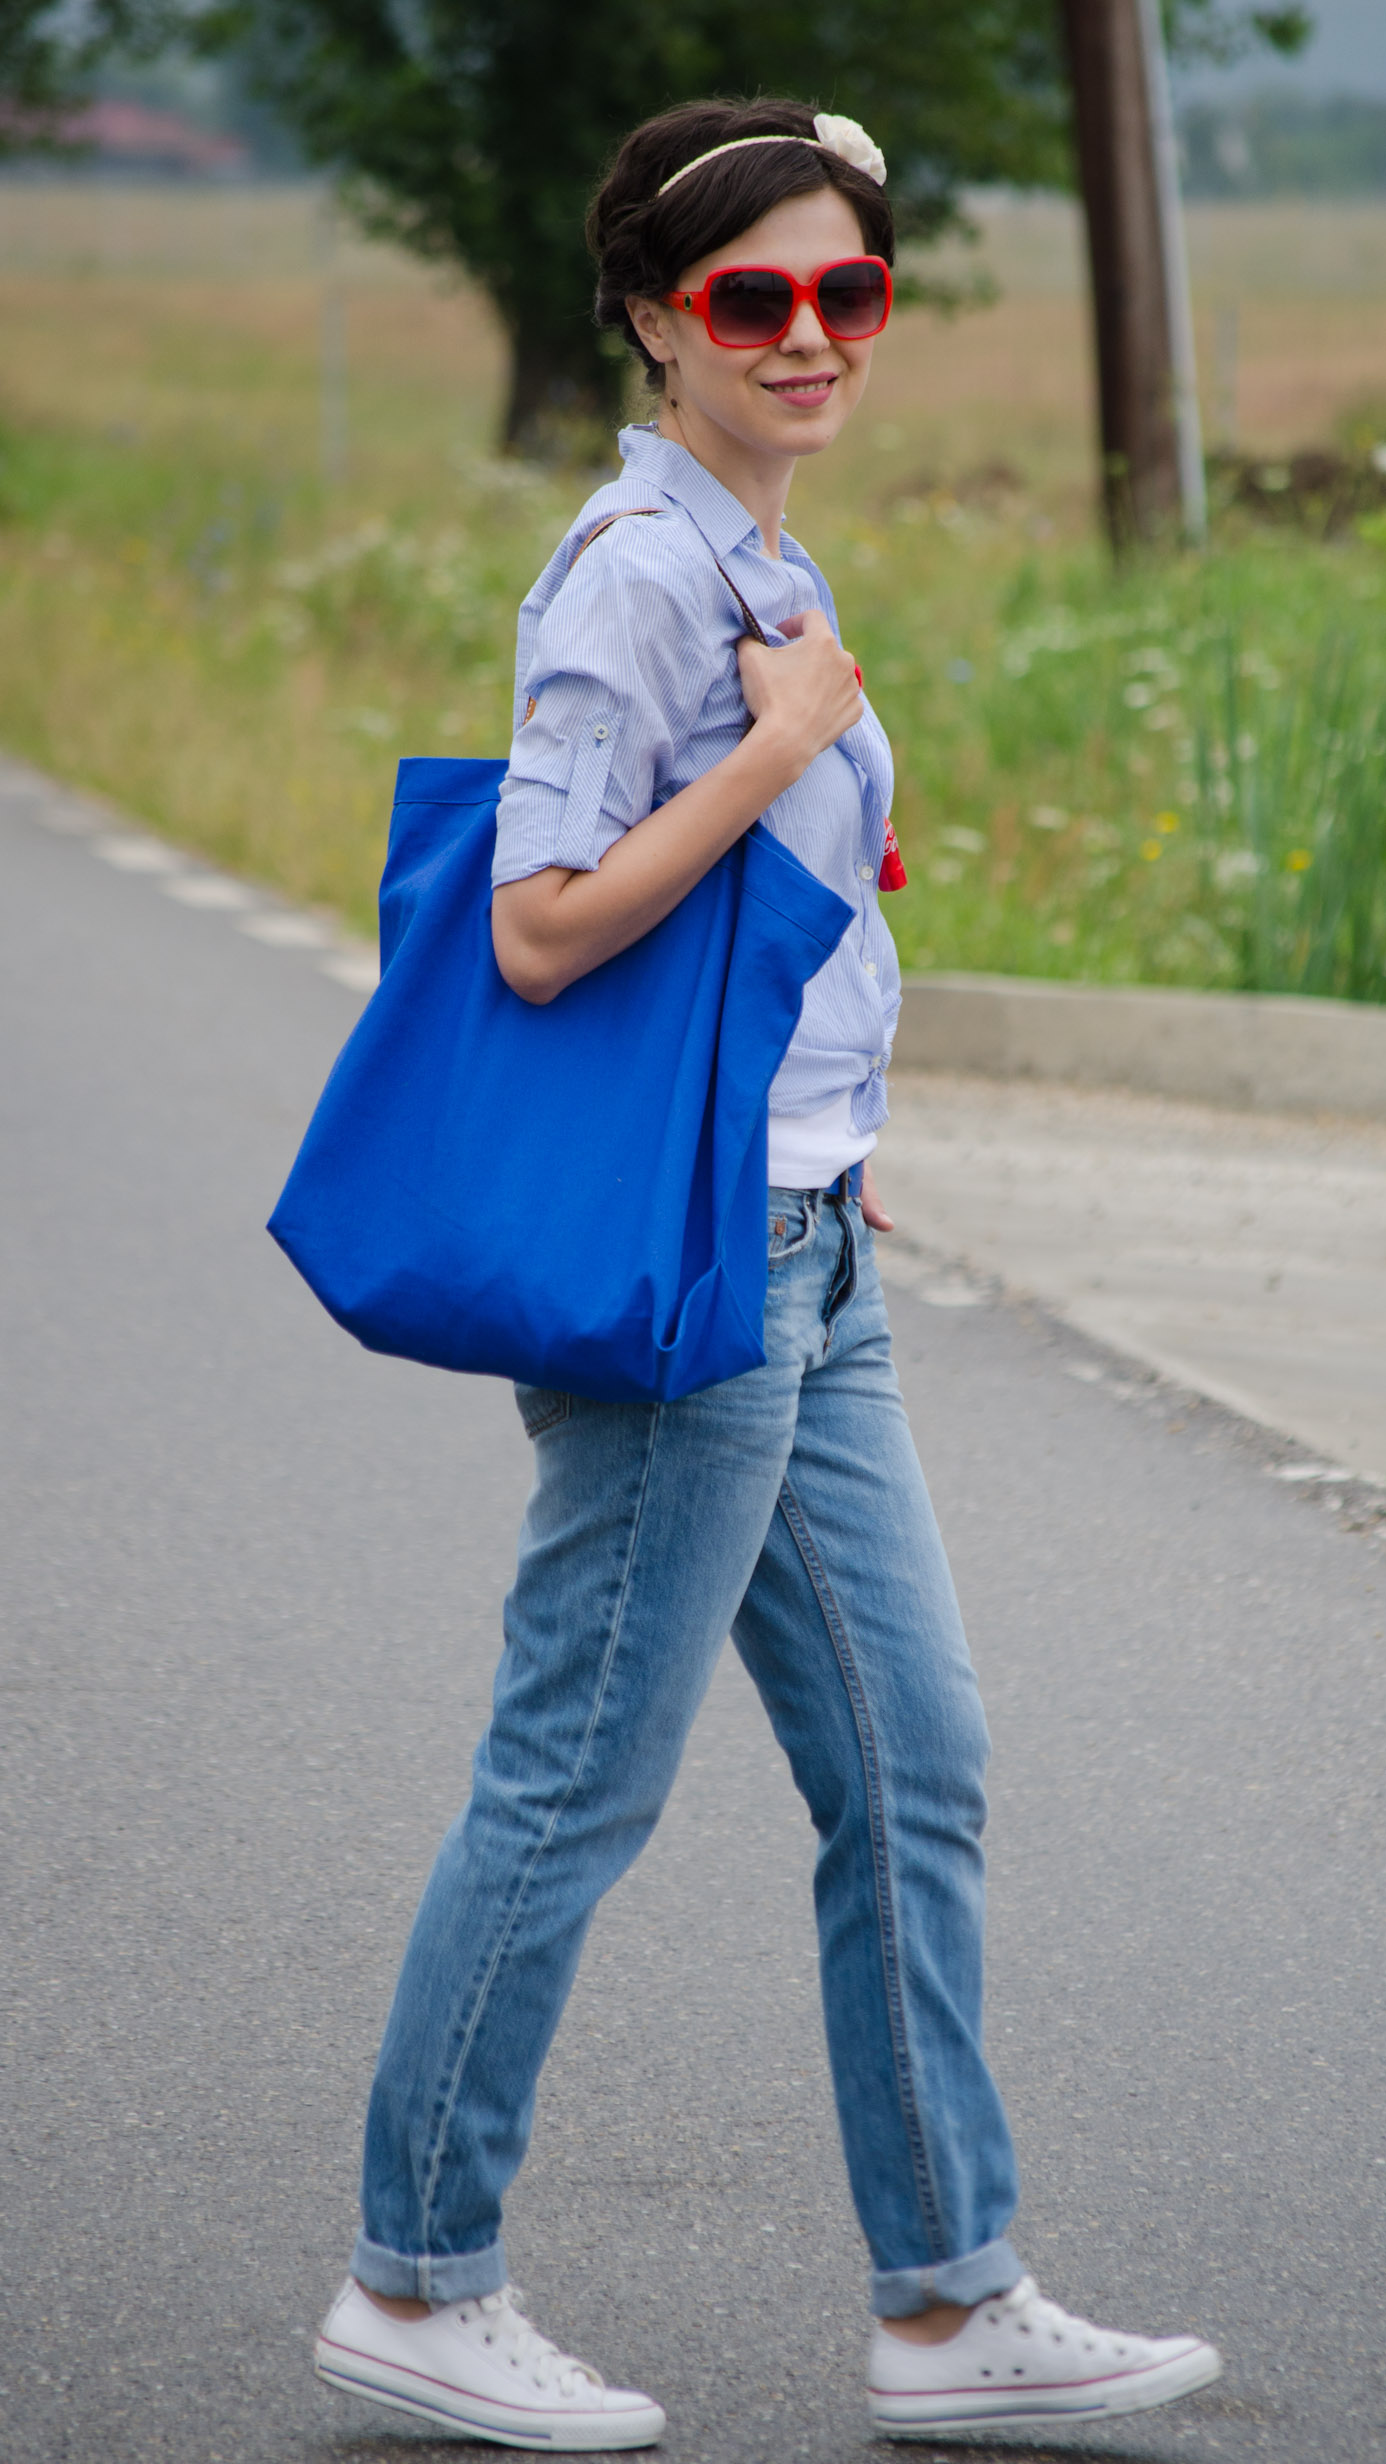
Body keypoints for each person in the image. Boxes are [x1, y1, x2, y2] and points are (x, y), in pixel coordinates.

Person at [312, 96, 1222, 2448]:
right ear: (653, 314)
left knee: (917, 1758)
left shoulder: (757, 551)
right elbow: (535, 928)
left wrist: (826, 1134)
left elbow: (756, 955)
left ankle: (948, 2296)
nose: (811, 333)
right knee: (570, 1780)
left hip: (805, 1250)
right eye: (755, 298)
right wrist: (776, 753)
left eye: (850, 291)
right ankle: (415, 2275)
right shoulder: (637, 568)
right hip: (693, 1281)